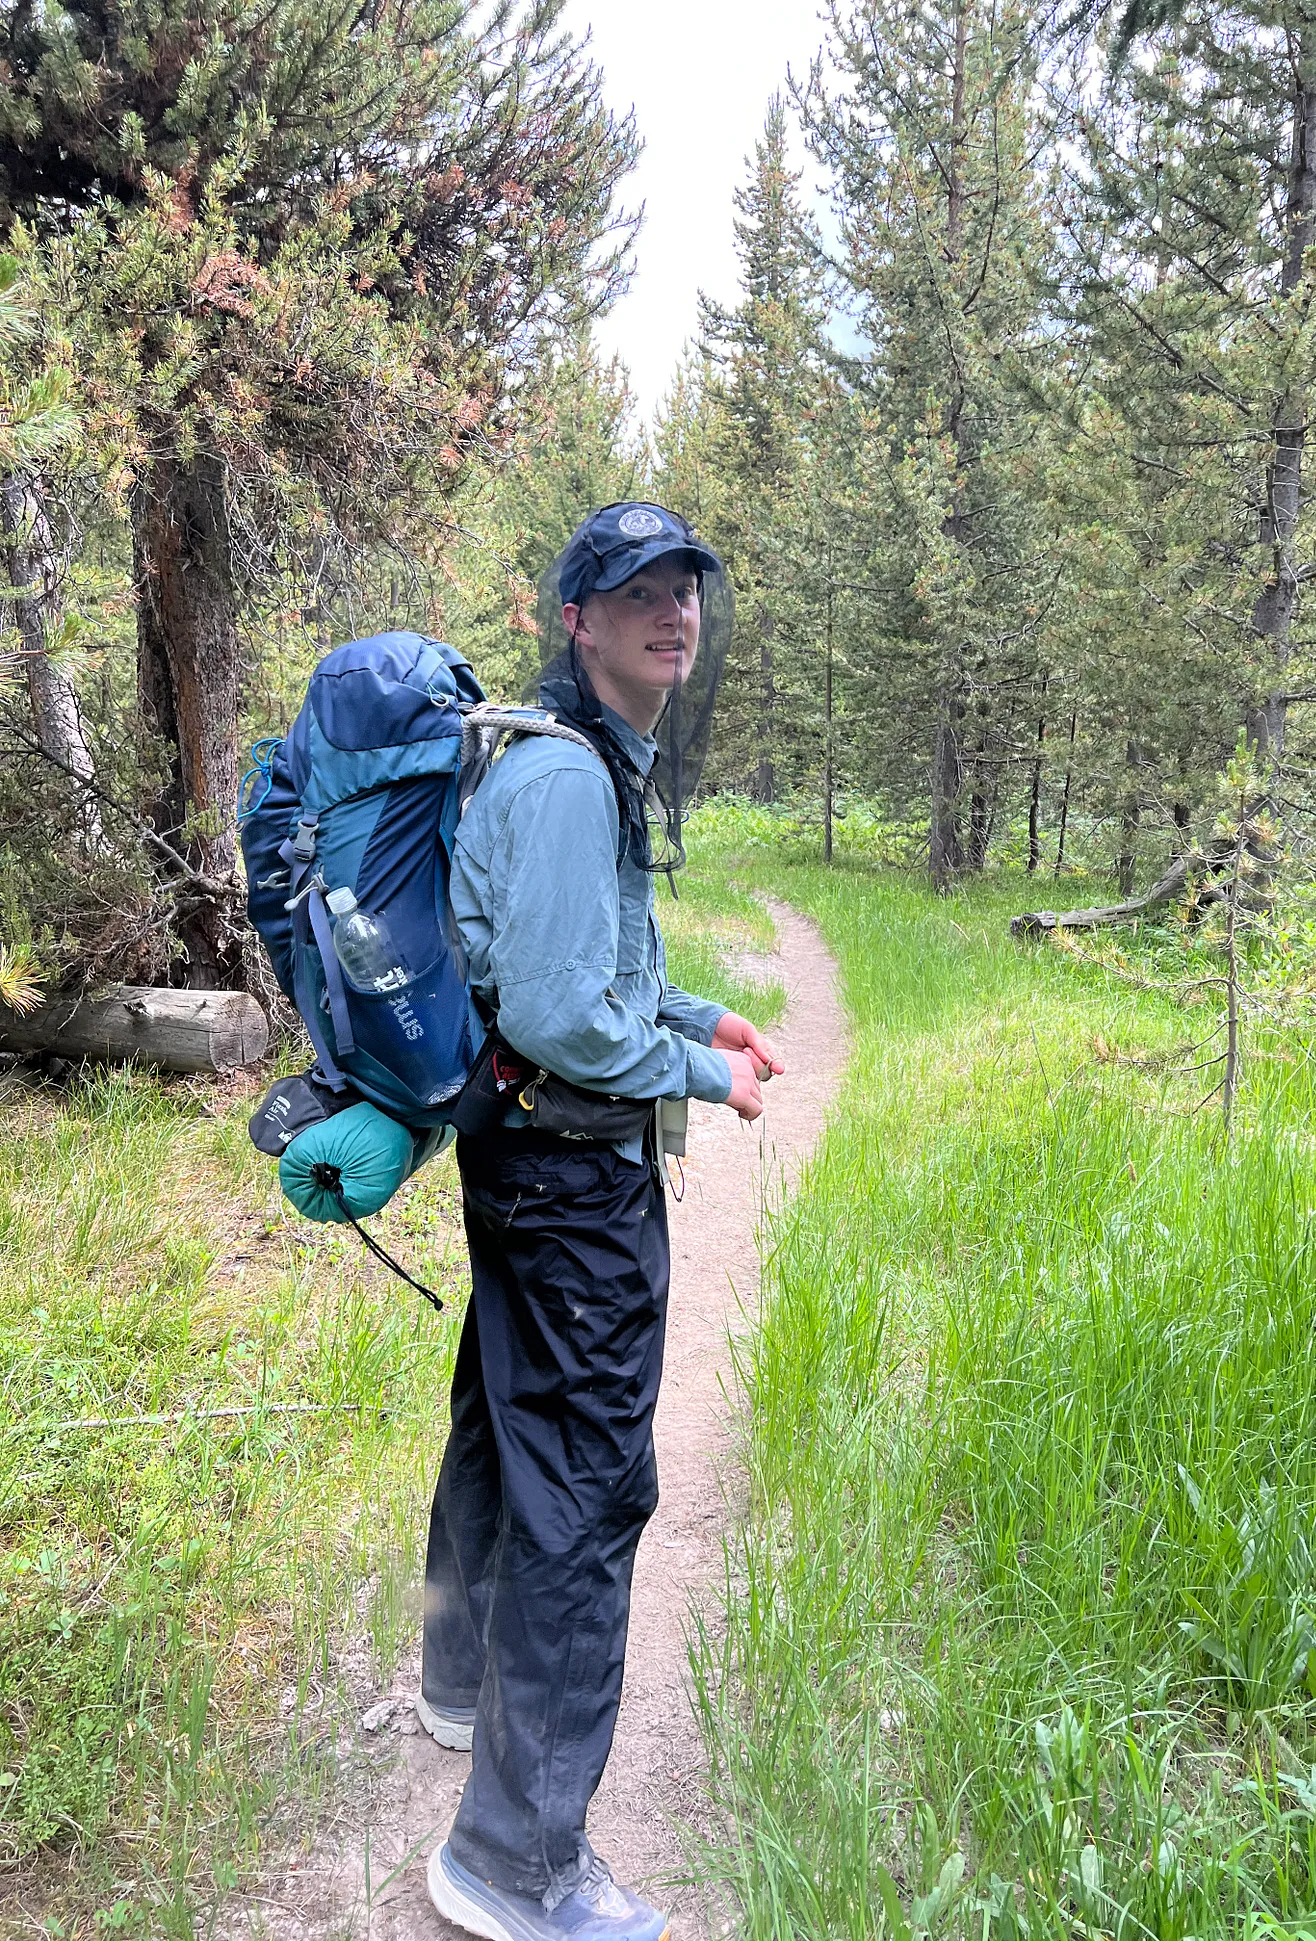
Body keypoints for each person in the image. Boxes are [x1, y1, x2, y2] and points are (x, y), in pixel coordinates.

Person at [423, 504, 784, 1941]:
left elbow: (581, 956)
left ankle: (458, 1682)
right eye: (633, 591)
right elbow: (570, 1015)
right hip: (575, 1184)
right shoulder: (574, 779)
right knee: (588, 1494)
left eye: (684, 589)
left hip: (521, 1162)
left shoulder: (561, 759)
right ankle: (516, 1859)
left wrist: (700, 1010)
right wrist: (710, 1075)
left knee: (498, 1423)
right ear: (573, 619)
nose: (669, 612)